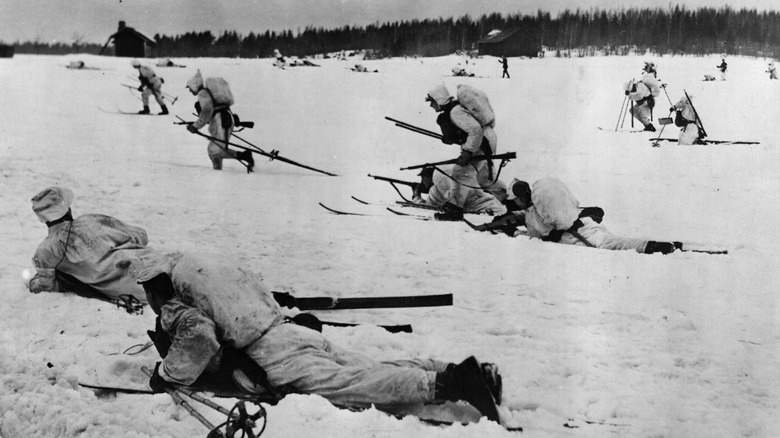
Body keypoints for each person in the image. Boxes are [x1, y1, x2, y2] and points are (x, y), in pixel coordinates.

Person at [138, 251, 503, 421]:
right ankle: (456, 370)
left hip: (273, 356)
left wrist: (167, 375)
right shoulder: (212, 274)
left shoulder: (175, 305)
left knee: (355, 386)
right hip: (291, 332)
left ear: (155, 291)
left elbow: (200, 339)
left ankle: (454, 382)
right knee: (366, 368)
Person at [28, 186, 156, 303]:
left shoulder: (46, 250)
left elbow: (45, 286)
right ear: (68, 208)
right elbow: (141, 235)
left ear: (43, 219)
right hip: (153, 265)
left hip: (140, 292)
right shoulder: (92, 219)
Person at [487, 178, 681, 254]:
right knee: (615, 240)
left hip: (579, 238)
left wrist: (512, 232)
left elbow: (534, 237)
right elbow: (531, 212)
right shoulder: (540, 202)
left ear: (521, 198)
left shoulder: (535, 216)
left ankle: (655, 246)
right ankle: (659, 244)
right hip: (585, 222)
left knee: (615, 244)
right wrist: (512, 217)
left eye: (515, 201)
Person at [425, 83, 506, 220]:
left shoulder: (455, 112)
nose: (431, 105)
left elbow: (475, 130)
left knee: (460, 173)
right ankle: (456, 206)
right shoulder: (454, 110)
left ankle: (455, 210)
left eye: (432, 101)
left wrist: (467, 151)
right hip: (485, 141)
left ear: (438, 100)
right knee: (463, 174)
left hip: (483, 142)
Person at [185, 70, 254, 172]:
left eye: (190, 89)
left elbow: (207, 111)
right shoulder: (206, 93)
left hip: (220, 121)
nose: (190, 91)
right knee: (215, 150)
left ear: (194, 85)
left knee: (214, 151)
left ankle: (244, 156)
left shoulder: (202, 93)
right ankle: (217, 172)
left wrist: (196, 126)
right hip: (223, 119)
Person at [411, 167, 507, 217]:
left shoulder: (436, 189)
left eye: (423, 178)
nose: (422, 182)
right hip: (494, 205)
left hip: (487, 212)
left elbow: (427, 208)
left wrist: (416, 196)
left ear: (428, 177)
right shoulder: (460, 179)